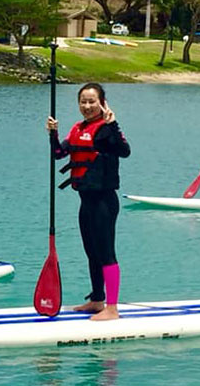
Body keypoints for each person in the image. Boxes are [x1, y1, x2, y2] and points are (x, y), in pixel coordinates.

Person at [47, 83, 131, 321]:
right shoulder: (77, 129)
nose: (87, 106)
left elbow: (124, 151)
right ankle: (97, 300)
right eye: (83, 101)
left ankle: (112, 308)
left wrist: (113, 124)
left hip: (104, 201)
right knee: (91, 252)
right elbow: (58, 154)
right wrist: (53, 134)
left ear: (102, 103)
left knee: (106, 252)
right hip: (86, 201)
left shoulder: (106, 128)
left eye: (92, 101)